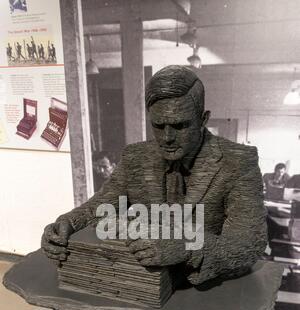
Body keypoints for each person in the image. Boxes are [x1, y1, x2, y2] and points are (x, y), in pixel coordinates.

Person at [42, 65, 267, 286]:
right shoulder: (136, 157)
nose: (167, 137)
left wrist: (189, 246)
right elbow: (101, 205)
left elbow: (248, 243)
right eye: (158, 125)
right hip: (143, 282)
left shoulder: (237, 161)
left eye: (180, 126)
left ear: (203, 119)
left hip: (206, 286)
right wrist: (67, 223)